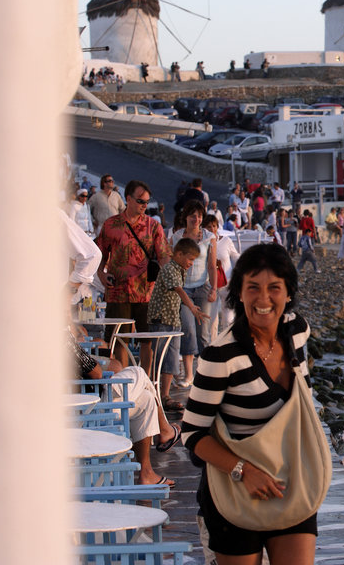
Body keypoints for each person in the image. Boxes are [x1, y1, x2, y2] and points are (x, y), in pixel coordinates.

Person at [182, 244, 318, 563]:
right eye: (253, 287)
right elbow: (192, 434)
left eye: (274, 288)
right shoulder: (221, 355)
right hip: (235, 494)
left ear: (288, 292)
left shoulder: (297, 331)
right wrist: (243, 470)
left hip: (290, 486)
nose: (263, 299)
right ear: (239, 293)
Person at [71, 333, 181, 486]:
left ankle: (146, 473)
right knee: (138, 372)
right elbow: (96, 373)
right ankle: (165, 429)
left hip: (85, 406)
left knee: (146, 399)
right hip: (92, 408)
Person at [96, 179, 171, 369]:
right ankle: (124, 379)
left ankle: (144, 380)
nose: (144, 205)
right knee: (120, 339)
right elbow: (100, 255)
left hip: (146, 292)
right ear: (128, 199)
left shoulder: (153, 226)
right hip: (118, 292)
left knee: (147, 339)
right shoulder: (111, 224)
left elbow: (163, 256)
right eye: (140, 201)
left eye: (146, 202)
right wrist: (101, 275)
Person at [148, 237, 208, 409]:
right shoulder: (169, 269)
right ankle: (154, 394)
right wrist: (192, 308)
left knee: (171, 359)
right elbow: (179, 290)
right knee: (159, 358)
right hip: (161, 319)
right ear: (179, 254)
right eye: (190, 259)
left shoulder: (180, 270)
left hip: (173, 320)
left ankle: (165, 395)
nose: (191, 263)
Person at [170, 200, 218, 395]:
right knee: (188, 328)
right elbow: (172, 263)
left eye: (199, 215)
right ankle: (189, 374)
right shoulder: (176, 237)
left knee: (203, 332)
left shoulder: (209, 237)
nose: (196, 219)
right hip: (183, 290)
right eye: (192, 215)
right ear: (186, 217)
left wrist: (214, 288)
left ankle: (206, 374)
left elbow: (212, 266)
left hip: (202, 287)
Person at [204, 214, 239, 336]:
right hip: (210, 284)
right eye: (209, 227)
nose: (212, 229)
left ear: (217, 227)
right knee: (211, 318)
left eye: (214, 226)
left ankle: (228, 341)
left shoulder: (226, 241)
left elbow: (235, 256)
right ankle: (213, 343)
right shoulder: (203, 243)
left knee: (228, 317)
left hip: (227, 282)